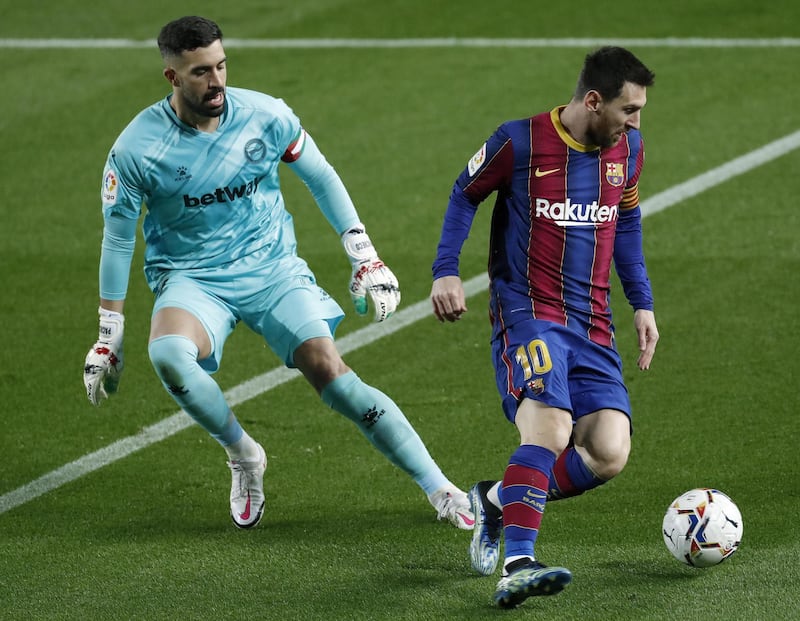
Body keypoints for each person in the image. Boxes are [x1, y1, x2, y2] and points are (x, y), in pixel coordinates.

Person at [83, 15, 473, 532]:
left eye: (221, 65)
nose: (217, 80)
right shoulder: (136, 148)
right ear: (172, 78)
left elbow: (320, 175)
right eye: (200, 72)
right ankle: (243, 454)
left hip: (272, 269)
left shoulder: (266, 116)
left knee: (331, 374)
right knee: (168, 356)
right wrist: (109, 333)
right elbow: (117, 237)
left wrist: (364, 254)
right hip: (193, 278)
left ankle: (440, 488)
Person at [429, 46, 659, 608]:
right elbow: (465, 193)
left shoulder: (626, 148)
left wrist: (643, 303)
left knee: (608, 452)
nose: (635, 122)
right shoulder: (520, 140)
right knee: (551, 430)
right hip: (528, 311)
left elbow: (624, 221)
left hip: (594, 321)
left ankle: (493, 500)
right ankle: (519, 562)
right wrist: (446, 272)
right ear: (593, 100)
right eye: (628, 110)